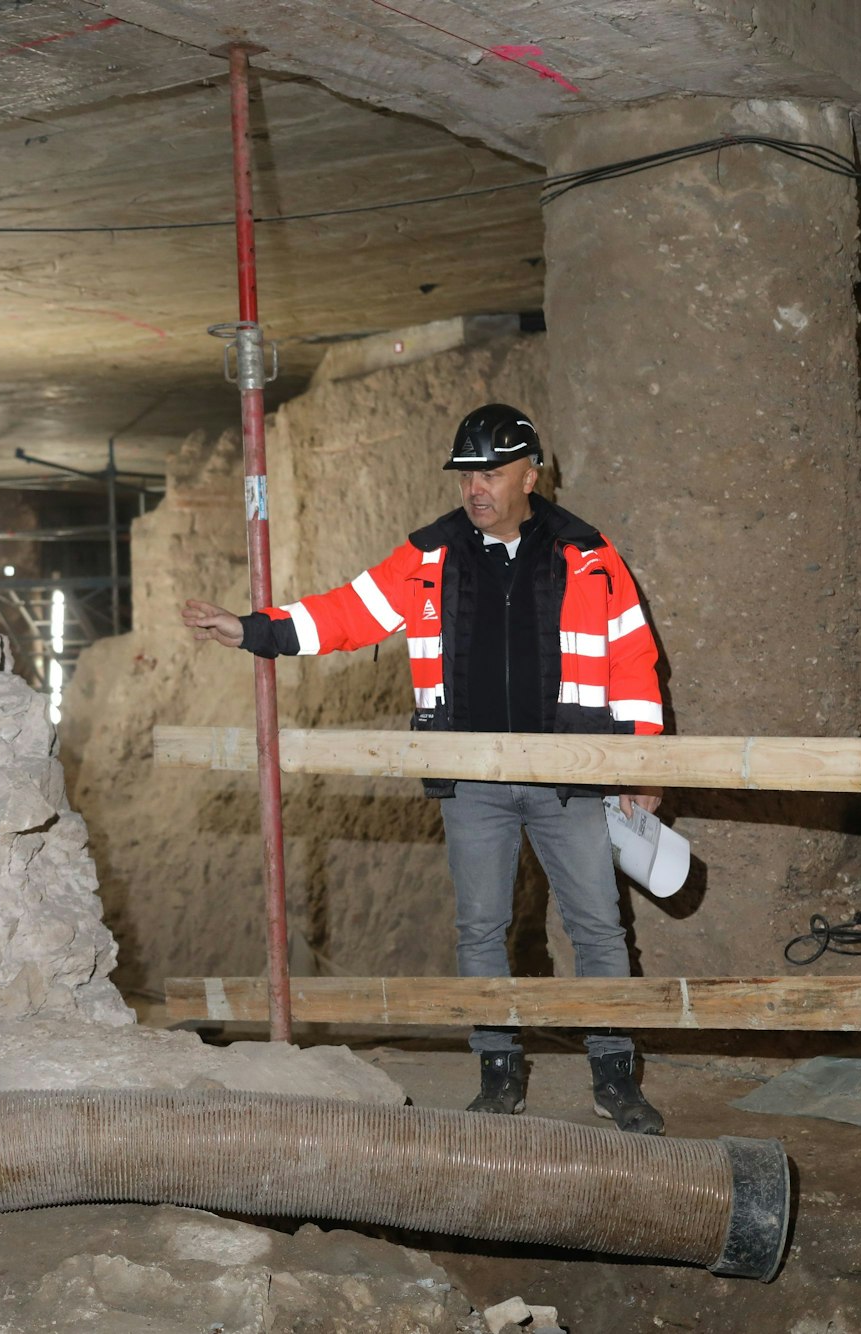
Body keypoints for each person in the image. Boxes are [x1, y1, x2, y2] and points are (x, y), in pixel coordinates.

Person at [182, 403, 668, 1132]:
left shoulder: (589, 556)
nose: (477, 488)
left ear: (531, 475)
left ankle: (614, 1077)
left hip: (570, 774)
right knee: (481, 929)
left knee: (597, 928)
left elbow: (633, 664)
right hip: (470, 779)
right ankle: (498, 1073)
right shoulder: (430, 556)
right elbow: (351, 612)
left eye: (493, 473)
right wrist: (255, 629)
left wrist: (642, 766)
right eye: (468, 474)